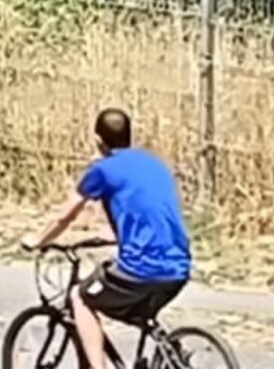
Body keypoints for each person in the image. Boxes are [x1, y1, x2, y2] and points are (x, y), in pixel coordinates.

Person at [24, 109, 194, 369]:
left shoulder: (102, 170)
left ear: (98, 140)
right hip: (178, 266)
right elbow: (147, 211)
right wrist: (115, 236)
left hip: (143, 270)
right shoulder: (154, 165)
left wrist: (39, 239)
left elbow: (65, 216)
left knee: (80, 297)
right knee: (134, 311)